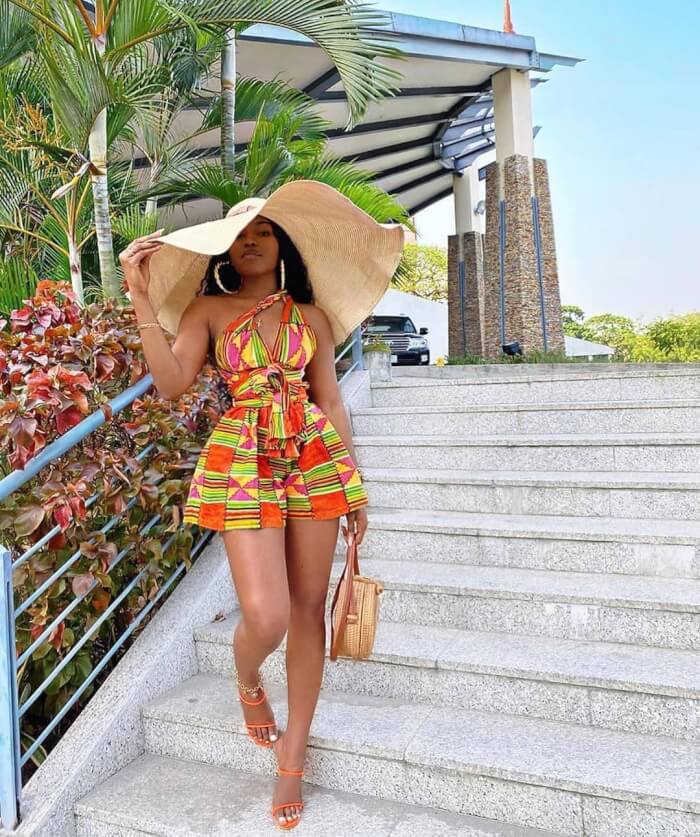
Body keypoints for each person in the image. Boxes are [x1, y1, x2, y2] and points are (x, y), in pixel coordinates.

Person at [119, 181, 404, 830]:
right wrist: (139, 296)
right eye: (240, 235)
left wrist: (353, 484)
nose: (251, 241)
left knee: (307, 609)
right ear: (225, 249)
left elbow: (330, 401)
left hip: (313, 455)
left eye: (264, 232)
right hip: (244, 456)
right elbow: (172, 383)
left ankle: (293, 754)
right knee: (267, 614)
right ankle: (248, 678)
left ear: (283, 245)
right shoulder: (208, 309)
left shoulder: (313, 318)